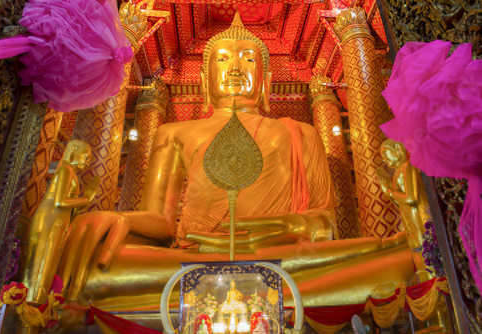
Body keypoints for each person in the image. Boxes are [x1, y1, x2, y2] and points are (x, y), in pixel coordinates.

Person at [53, 13, 415, 310]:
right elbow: (161, 221)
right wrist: (118, 218)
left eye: (248, 59)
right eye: (223, 58)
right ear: (206, 80)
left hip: (284, 258)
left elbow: (324, 223)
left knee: (399, 257)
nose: (236, 67)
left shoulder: (301, 132)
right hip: (193, 260)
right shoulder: (174, 134)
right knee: (94, 270)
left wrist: (285, 225)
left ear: (266, 79)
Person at [22, 140, 99, 304]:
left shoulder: (73, 175)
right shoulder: (65, 169)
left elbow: (70, 208)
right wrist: (86, 199)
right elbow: (60, 202)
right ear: (73, 153)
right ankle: (29, 306)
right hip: (49, 219)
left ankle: (39, 305)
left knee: (49, 266)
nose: (87, 162)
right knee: (40, 267)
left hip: (58, 222)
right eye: (86, 157)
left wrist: (84, 201)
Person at [377, 139, 429, 270]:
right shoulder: (397, 172)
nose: (384, 159)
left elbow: (410, 198)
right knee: (419, 253)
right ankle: (429, 282)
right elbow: (401, 203)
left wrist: (389, 191)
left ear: (397, 149)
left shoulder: (406, 166)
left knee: (426, 252)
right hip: (411, 220)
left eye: (385, 154)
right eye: (382, 157)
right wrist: (388, 189)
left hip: (419, 219)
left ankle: (437, 282)